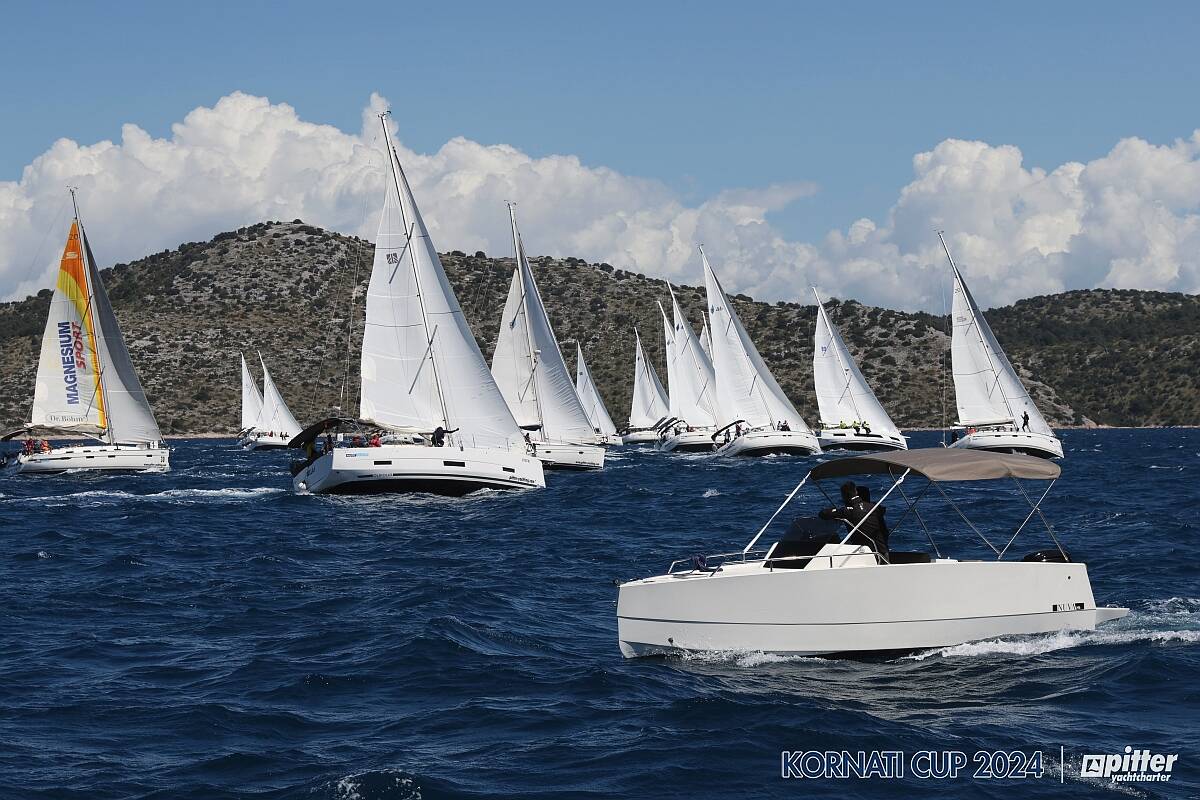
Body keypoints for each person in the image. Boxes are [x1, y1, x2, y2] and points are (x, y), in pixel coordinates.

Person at [818, 481, 890, 562]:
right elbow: (884, 529)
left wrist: (835, 511)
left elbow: (823, 514)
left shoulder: (848, 511)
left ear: (843, 496)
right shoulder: (875, 508)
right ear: (856, 492)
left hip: (867, 554)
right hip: (883, 551)